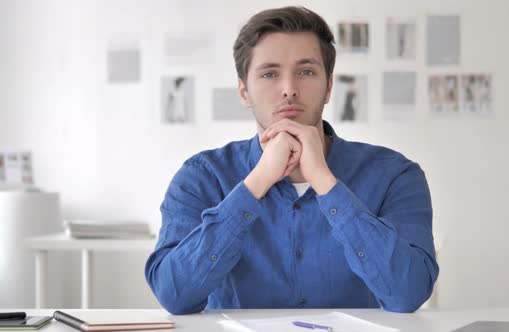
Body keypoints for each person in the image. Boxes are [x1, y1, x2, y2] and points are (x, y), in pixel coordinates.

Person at [145, 6, 439, 315]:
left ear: (328, 87)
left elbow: (408, 294)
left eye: (306, 71)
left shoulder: (395, 174)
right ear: (244, 92)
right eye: (270, 73)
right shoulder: (201, 176)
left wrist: (325, 182)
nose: (289, 90)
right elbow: (173, 293)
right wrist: (256, 182)